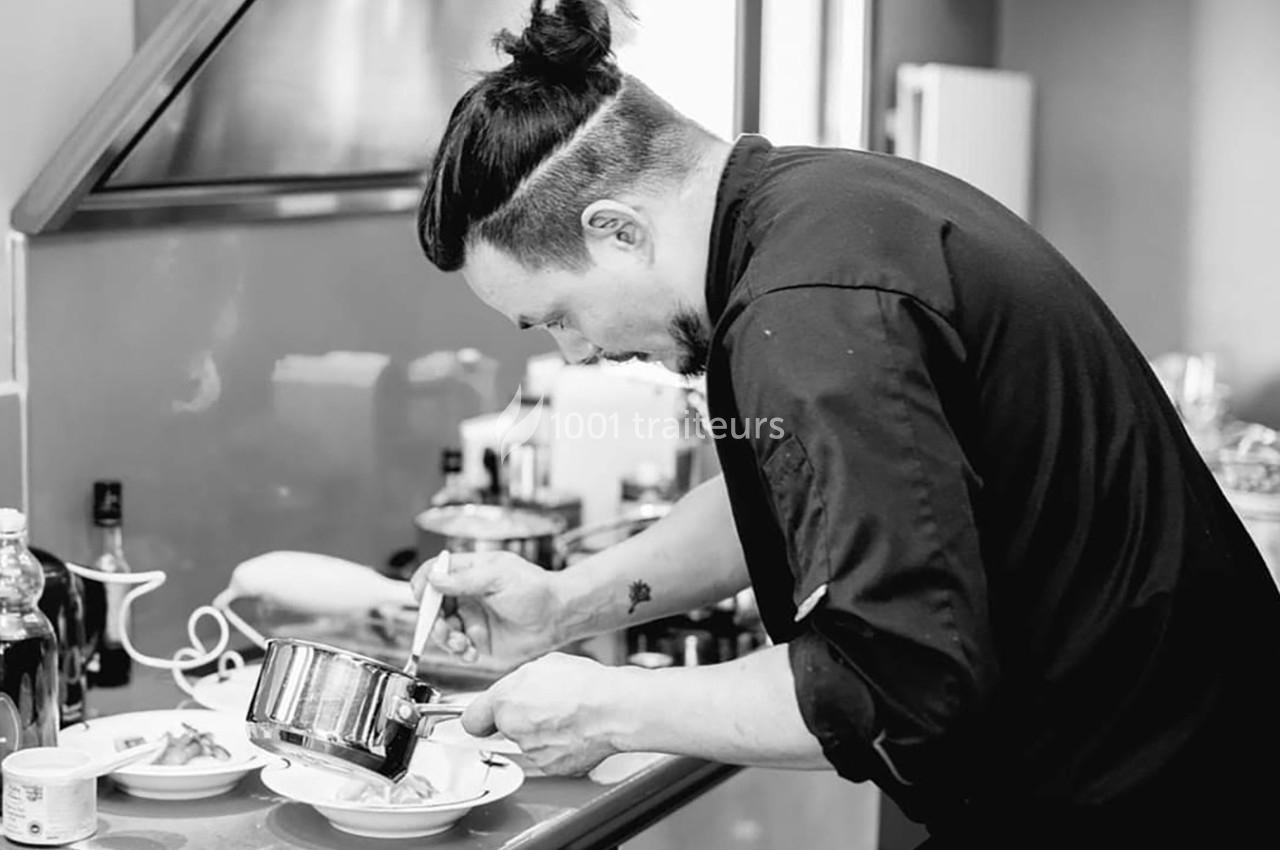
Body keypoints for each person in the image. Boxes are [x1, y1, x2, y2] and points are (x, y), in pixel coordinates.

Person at [410, 1, 1280, 845]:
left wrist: (608, 708)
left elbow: (892, 680)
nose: (575, 352)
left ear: (617, 231)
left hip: (1147, 802)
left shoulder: (807, 314)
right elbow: (798, 489)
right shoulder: (810, 213)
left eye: (558, 314)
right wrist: (567, 602)